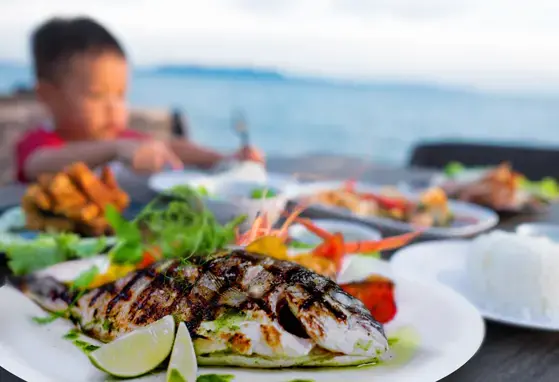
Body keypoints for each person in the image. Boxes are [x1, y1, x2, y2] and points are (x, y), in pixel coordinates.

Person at [15, 16, 264, 183]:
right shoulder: (40, 143)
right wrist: (113, 149)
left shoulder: (120, 138)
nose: (114, 108)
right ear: (48, 96)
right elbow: (38, 164)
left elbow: (171, 147)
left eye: (120, 95)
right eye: (96, 95)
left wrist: (226, 158)